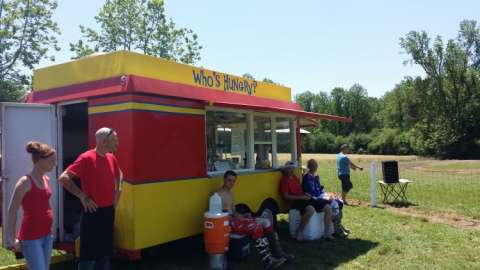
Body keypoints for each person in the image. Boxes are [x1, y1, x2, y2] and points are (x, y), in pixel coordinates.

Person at [59, 127, 122, 270]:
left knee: (105, 255)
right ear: (104, 142)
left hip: (108, 213)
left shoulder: (111, 157)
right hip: (93, 214)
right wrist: (82, 196)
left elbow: (119, 174)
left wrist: (118, 191)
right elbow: (63, 178)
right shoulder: (87, 157)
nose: (117, 143)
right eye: (114, 140)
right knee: (89, 257)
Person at [216, 170, 290, 270]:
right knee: (256, 227)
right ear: (224, 180)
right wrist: (236, 217)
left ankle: (277, 252)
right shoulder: (218, 195)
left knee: (266, 222)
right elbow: (219, 216)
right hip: (227, 223)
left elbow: (233, 211)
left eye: (233, 181)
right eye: (229, 180)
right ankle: (268, 261)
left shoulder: (231, 193)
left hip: (235, 220)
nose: (231, 183)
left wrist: (243, 215)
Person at [7, 141, 56, 270]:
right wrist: (12, 240)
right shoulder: (25, 182)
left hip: (47, 234)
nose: (54, 164)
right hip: (31, 237)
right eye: (52, 160)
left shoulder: (46, 179)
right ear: (40, 160)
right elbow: (12, 210)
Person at [280, 161, 334, 241]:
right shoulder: (284, 180)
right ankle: (299, 231)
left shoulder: (295, 178)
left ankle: (327, 233)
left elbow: (300, 190)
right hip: (295, 201)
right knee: (311, 209)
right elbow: (286, 197)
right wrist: (302, 197)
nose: (291, 171)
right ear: (286, 170)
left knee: (327, 208)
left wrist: (306, 194)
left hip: (304, 198)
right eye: (289, 169)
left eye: (292, 169)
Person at [302, 159, 349, 238]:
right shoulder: (307, 177)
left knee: (339, 202)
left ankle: (338, 224)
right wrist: (326, 198)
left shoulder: (315, 176)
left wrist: (327, 195)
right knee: (333, 203)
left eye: (316, 165)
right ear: (311, 167)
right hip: (315, 198)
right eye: (315, 165)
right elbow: (311, 192)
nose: (316, 167)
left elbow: (319, 189)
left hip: (320, 195)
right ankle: (335, 228)